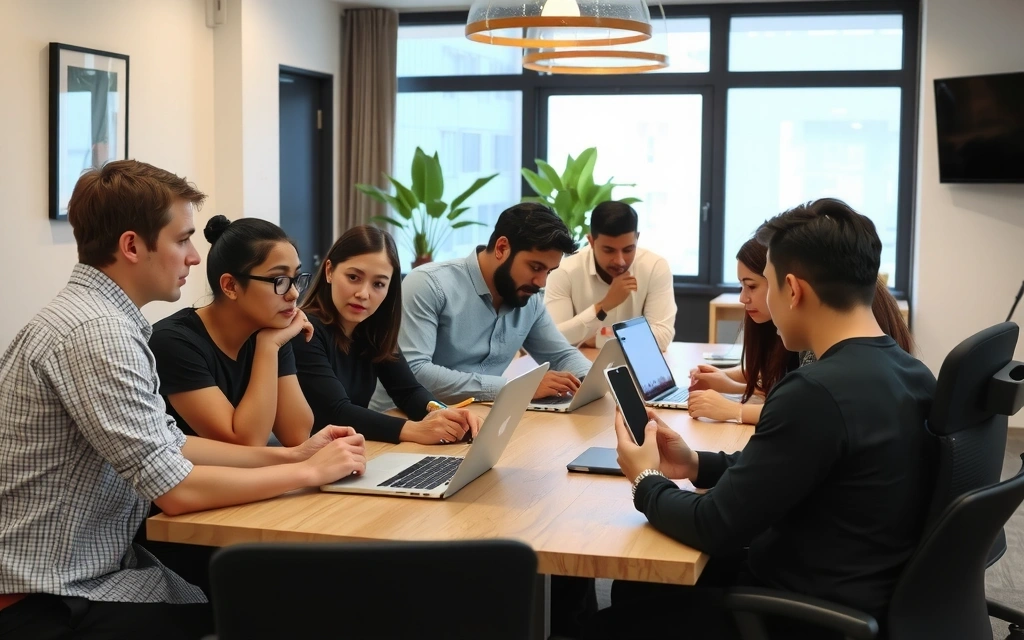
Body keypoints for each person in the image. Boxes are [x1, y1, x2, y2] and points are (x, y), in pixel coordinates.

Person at [0, 160, 367, 640]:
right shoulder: (99, 334)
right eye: (181, 240)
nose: (195, 257)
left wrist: (293, 454)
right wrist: (309, 472)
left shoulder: (110, 322)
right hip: (48, 596)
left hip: (85, 571)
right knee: (277, 609)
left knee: (272, 592)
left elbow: (172, 443)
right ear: (132, 246)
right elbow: (175, 491)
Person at [603, 198, 936, 639]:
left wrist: (644, 478)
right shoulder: (911, 371)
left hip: (795, 613)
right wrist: (695, 464)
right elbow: (792, 468)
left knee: (606, 621)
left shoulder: (815, 392)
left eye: (768, 285)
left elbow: (714, 526)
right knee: (637, 587)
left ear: (793, 290)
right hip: (852, 590)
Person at [369, 202, 593, 409]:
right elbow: (415, 371)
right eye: (535, 267)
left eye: (549, 272)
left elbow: (562, 356)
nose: (541, 282)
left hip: (471, 421)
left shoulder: (528, 299)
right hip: (401, 424)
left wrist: (593, 382)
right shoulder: (429, 284)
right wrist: (516, 388)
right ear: (502, 248)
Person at [687, 236, 914, 425]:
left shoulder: (824, 340)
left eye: (752, 286)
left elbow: (800, 412)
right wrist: (729, 380)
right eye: (741, 286)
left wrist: (733, 410)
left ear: (791, 285)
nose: (743, 298)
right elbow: (783, 390)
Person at [294, 225, 483, 445]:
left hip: (349, 452)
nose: (363, 294)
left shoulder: (371, 328)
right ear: (329, 271)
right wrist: (415, 430)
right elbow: (336, 412)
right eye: (354, 277)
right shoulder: (304, 330)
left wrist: (444, 414)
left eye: (378, 284)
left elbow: (408, 391)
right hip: (308, 460)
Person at [149, 215, 315, 447]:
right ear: (230, 286)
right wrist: (268, 348)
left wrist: (274, 343)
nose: (294, 294)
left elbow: (296, 434)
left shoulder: (270, 329)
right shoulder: (173, 342)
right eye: (279, 279)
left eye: (296, 278)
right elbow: (246, 444)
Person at [543, 201, 676, 350]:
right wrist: (604, 306)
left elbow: (663, 336)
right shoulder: (565, 271)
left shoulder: (654, 267)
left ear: (637, 238)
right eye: (609, 250)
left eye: (628, 249)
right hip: (579, 368)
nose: (620, 261)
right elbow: (553, 339)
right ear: (591, 241)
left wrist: (600, 338)